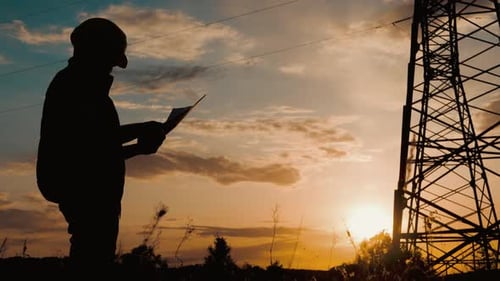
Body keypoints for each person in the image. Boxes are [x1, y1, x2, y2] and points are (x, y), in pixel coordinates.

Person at [36, 18, 166, 278]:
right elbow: (92, 144)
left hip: (90, 191)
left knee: (94, 255)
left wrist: (138, 149)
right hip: (85, 192)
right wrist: (142, 129)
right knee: (91, 259)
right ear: (96, 53)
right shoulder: (74, 86)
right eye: (110, 60)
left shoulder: (81, 87)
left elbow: (98, 150)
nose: (111, 68)